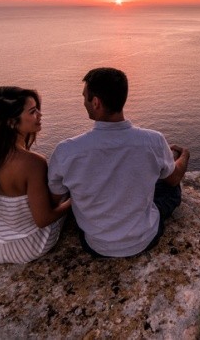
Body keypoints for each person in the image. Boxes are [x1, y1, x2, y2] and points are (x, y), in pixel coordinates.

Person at [48, 67, 190, 257]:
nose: (83, 102)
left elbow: (55, 198)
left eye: (85, 97)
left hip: (96, 245)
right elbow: (173, 180)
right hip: (144, 239)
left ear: (96, 102)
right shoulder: (153, 141)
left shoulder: (67, 150)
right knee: (168, 185)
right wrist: (184, 157)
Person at [0, 86, 71, 264]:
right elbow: (43, 219)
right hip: (27, 247)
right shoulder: (33, 163)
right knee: (65, 190)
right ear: (11, 122)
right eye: (33, 112)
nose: (40, 115)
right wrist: (74, 201)